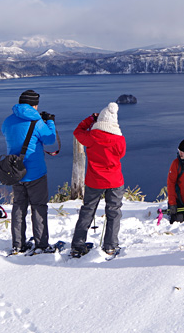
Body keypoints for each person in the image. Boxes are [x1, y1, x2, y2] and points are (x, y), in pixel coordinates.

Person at [1, 89, 57, 254]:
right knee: (38, 207)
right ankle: (41, 244)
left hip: (15, 171)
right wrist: (50, 122)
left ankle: (18, 244)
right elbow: (50, 139)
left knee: (19, 207)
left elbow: (8, 134)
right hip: (36, 173)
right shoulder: (37, 122)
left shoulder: (8, 121)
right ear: (35, 104)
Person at [71, 102, 127, 257]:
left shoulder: (92, 137)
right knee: (114, 212)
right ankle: (110, 246)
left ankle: (78, 245)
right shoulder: (120, 140)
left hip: (94, 181)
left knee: (87, 211)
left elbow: (77, 131)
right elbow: (121, 155)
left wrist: (90, 119)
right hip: (115, 181)